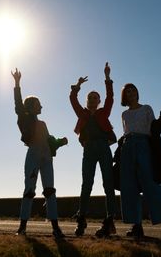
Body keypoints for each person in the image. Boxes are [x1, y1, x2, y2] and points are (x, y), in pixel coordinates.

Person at [12, 68, 67, 238]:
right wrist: (17, 84)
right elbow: (18, 104)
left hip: (46, 158)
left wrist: (61, 142)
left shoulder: (42, 124)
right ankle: (22, 227)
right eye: (38, 104)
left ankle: (55, 227)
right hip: (33, 156)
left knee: (50, 190)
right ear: (31, 107)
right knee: (29, 190)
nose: (41, 106)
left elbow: (50, 141)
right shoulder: (25, 118)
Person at [119, 83, 161, 237]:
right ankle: (137, 226)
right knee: (129, 186)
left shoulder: (146, 108)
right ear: (124, 96)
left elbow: (155, 128)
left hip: (143, 144)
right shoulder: (124, 115)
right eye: (128, 91)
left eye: (133, 90)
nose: (131, 93)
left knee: (152, 183)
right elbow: (125, 133)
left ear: (137, 93)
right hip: (127, 147)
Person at [70, 62, 118, 237]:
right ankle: (81, 220)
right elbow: (73, 100)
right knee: (86, 185)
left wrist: (107, 78)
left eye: (95, 97)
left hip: (104, 148)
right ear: (87, 101)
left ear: (98, 102)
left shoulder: (103, 112)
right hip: (89, 149)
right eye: (90, 97)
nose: (92, 99)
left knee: (108, 185)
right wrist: (78, 86)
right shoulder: (81, 114)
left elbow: (110, 98)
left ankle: (110, 220)